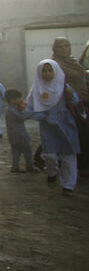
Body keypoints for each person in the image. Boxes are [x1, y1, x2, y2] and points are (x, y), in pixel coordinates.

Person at [27, 60, 81, 196]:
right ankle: (52, 172)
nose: (46, 74)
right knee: (50, 154)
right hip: (48, 125)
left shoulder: (63, 86)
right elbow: (29, 109)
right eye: (43, 71)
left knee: (68, 154)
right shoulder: (37, 88)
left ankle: (68, 185)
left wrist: (71, 94)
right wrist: (43, 118)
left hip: (65, 123)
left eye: (50, 70)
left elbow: (75, 102)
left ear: (55, 71)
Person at [51, 37, 89, 176]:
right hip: (68, 105)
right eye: (60, 46)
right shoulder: (54, 64)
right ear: (55, 49)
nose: (64, 49)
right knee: (80, 134)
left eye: (67, 45)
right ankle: (82, 167)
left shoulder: (72, 62)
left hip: (82, 101)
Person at [4, 89, 37, 173]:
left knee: (16, 152)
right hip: (19, 135)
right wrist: (25, 110)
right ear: (12, 100)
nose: (20, 100)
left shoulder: (10, 109)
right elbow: (21, 118)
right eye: (18, 98)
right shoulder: (11, 110)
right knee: (27, 150)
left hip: (13, 135)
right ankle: (29, 166)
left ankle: (15, 166)